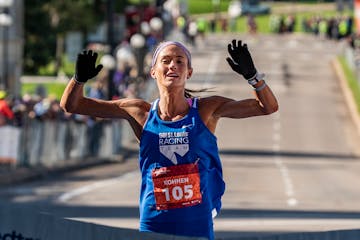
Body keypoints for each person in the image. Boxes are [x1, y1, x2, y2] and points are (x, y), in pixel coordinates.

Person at [60, 39, 278, 240]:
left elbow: (266, 107)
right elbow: (72, 105)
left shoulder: (206, 110)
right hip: (154, 224)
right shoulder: (140, 113)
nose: (173, 65)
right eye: (166, 61)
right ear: (154, 72)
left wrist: (253, 77)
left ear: (189, 72)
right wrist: (79, 79)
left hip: (196, 226)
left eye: (179, 61)